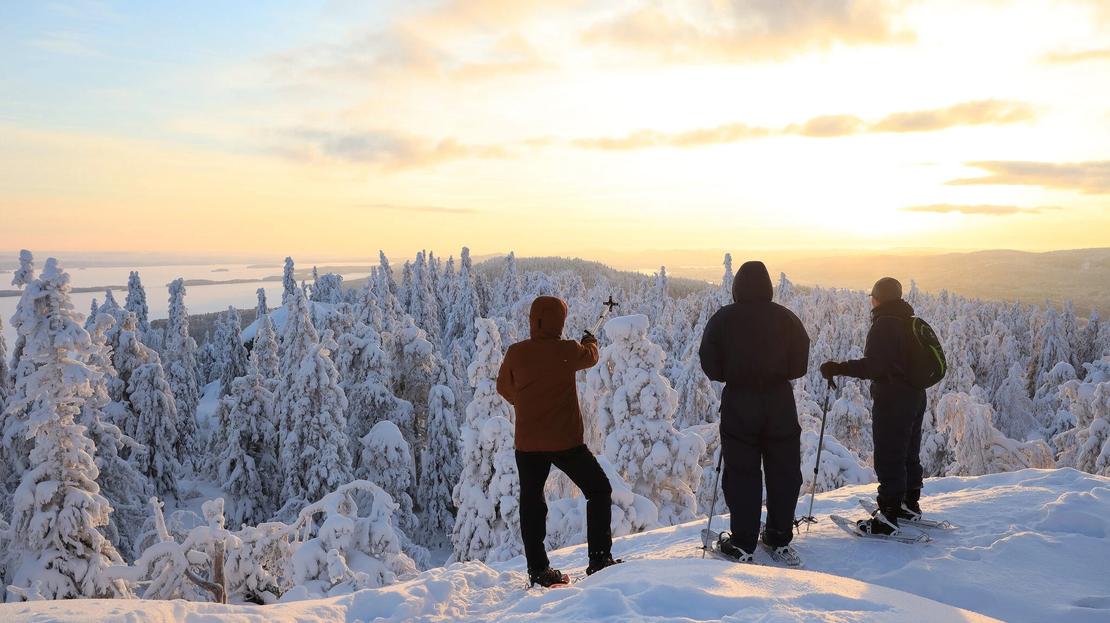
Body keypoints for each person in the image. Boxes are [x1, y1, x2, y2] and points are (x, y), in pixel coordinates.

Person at [496, 295, 620, 587]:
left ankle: (538, 570)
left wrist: (524, 403)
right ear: (560, 321)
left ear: (532, 320)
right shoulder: (568, 350)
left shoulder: (516, 352)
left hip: (527, 444)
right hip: (566, 443)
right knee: (599, 490)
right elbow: (591, 356)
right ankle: (600, 559)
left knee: (532, 504)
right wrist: (591, 341)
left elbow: (504, 387)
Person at [699, 261, 810, 562]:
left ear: (737, 288)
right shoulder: (786, 318)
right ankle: (778, 536)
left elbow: (710, 364)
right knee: (784, 471)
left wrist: (734, 374)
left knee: (742, 472)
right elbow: (800, 365)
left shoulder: (723, 319)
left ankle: (744, 541)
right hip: (779, 402)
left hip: (739, 402)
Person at [820, 277, 927, 536]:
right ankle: (908, 504)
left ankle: (888, 517)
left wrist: (839, 368)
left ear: (878, 298)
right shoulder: (907, 320)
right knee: (908, 452)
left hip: (893, 398)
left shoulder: (884, 324)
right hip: (915, 395)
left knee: (890, 455)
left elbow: (874, 366)